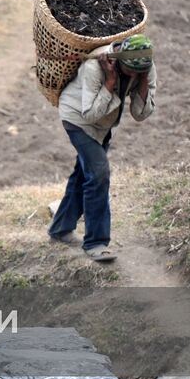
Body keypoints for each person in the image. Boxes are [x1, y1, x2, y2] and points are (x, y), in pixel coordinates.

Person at [47, 33, 156, 262]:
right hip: (78, 118)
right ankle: (96, 243)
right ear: (119, 60)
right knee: (98, 174)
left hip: (104, 125)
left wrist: (143, 81)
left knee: (84, 175)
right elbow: (90, 114)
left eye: (140, 72)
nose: (134, 75)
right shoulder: (95, 66)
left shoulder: (145, 66)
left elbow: (140, 114)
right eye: (130, 70)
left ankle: (60, 228)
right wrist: (109, 82)